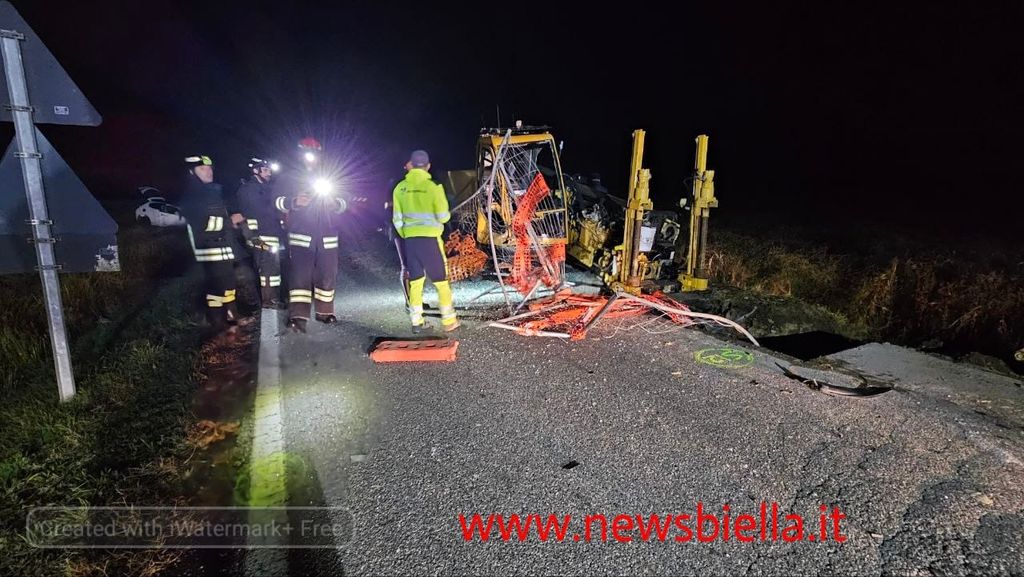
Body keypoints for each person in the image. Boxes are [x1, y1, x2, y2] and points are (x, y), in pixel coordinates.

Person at [274, 137, 347, 333]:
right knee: (300, 277)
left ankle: (325, 312)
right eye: (308, 154)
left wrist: (335, 203)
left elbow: (347, 200)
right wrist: (294, 201)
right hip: (301, 234)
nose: (312, 158)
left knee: (327, 274)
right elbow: (277, 202)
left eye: (315, 154)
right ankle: (298, 316)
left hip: (327, 234)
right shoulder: (288, 177)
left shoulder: (331, 175)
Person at [391, 149, 459, 332]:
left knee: (416, 281)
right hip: (430, 240)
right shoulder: (434, 187)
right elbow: (443, 217)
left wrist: (408, 234)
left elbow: (397, 220)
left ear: (411, 165)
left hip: (411, 241)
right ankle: (449, 321)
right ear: (428, 166)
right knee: (441, 282)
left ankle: (416, 322)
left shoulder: (400, 188)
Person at [178, 154, 244, 334]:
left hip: (220, 248)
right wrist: (230, 221)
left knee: (222, 286)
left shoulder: (211, 191)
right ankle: (226, 321)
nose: (208, 172)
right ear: (192, 172)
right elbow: (204, 225)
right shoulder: (193, 195)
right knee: (222, 286)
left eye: (209, 168)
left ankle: (225, 320)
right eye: (202, 169)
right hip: (209, 250)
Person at [236, 157, 284, 308]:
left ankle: (272, 298)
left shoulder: (265, 188)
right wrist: (254, 237)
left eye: (269, 170)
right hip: (259, 235)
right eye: (265, 170)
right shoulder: (249, 190)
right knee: (267, 267)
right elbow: (256, 213)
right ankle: (268, 300)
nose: (269, 173)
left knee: (272, 267)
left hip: (270, 233)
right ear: (256, 171)